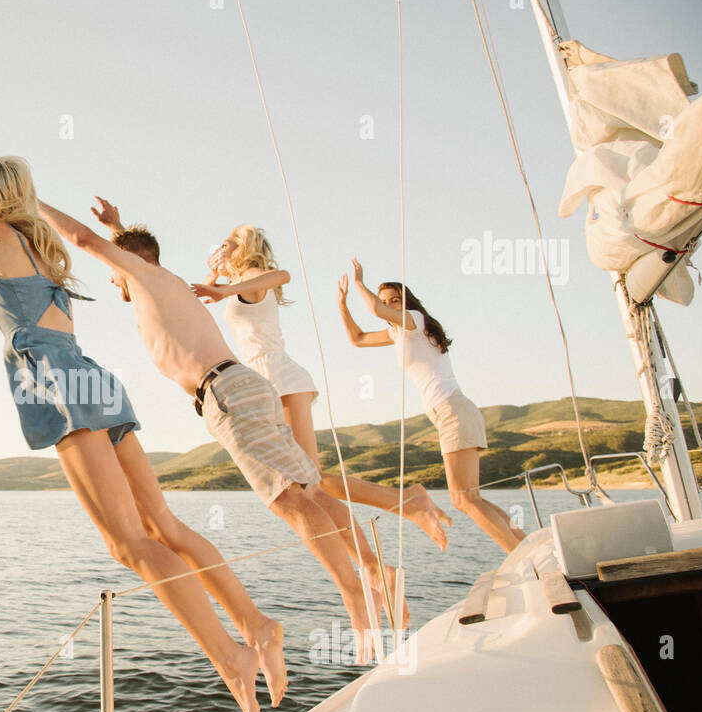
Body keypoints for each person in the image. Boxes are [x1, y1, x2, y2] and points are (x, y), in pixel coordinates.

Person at [0, 31, 288, 712]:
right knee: (164, 525)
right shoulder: (25, 247)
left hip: (56, 382)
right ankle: (257, 625)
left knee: (129, 544)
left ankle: (231, 657)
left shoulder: (5, 238)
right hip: (93, 378)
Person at [37, 197, 396, 664]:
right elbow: (137, 251)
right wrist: (121, 227)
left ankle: (355, 595)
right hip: (245, 385)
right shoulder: (162, 282)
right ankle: (371, 571)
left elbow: (91, 244)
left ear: (129, 261)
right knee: (309, 487)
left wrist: (34, 201)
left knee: (288, 497)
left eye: (113, 265)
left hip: (227, 392)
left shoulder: (146, 276)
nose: (109, 276)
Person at [94, 203, 451, 621]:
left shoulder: (249, 281)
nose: (217, 248)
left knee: (307, 488)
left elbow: (278, 276)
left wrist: (225, 286)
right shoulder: (226, 283)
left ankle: (404, 513)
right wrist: (121, 231)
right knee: (314, 485)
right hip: (265, 381)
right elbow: (148, 273)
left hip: (274, 380)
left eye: (227, 243)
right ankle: (387, 546)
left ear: (242, 249)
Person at [338, 261, 524, 553]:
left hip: (452, 409)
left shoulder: (414, 320)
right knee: (470, 497)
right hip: (450, 412)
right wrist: (342, 303)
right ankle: (526, 547)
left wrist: (361, 284)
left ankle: (520, 554)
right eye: (385, 301)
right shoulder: (398, 333)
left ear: (407, 302)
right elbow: (357, 339)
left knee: (463, 499)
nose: (388, 306)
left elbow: (375, 310)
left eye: (394, 300)